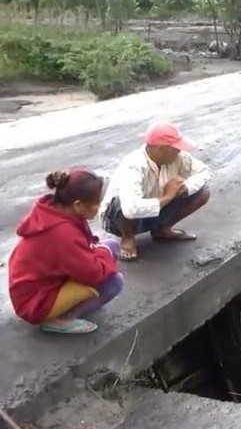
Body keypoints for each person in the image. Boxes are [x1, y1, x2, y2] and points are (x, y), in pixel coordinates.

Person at [9, 169, 124, 334]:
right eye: (96, 203)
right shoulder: (62, 233)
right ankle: (62, 319)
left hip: (41, 286)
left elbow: (83, 249)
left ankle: (75, 303)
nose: (99, 208)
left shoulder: (55, 210)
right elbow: (93, 273)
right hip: (35, 302)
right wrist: (103, 255)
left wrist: (102, 252)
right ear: (78, 205)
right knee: (113, 282)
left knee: (111, 245)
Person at [99, 122, 211, 261]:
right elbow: (130, 209)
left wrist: (186, 187)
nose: (179, 151)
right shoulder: (133, 165)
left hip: (154, 209)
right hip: (120, 219)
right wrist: (167, 197)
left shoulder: (178, 157)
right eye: (175, 148)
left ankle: (162, 229)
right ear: (161, 149)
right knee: (122, 201)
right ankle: (127, 238)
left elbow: (204, 171)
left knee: (202, 192)